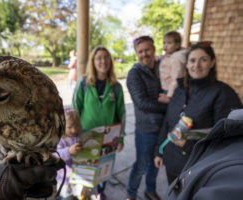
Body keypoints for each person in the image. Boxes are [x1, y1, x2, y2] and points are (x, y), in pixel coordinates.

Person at [154, 41, 242, 185]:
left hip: (197, 166)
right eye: (192, 60)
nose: (197, 65)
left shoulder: (223, 93)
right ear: (187, 64)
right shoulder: (179, 90)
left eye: (203, 60)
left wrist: (189, 141)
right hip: (172, 161)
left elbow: (228, 136)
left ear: (212, 62)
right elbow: (168, 122)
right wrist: (159, 151)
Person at [73, 45, 125, 200]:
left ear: (110, 61)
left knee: (104, 169)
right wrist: (72, 133)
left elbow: (122, 115)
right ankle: (85, 193)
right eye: (99, 58)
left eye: (106, 57)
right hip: (86, 135)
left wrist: (121, 138)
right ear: (93, 62)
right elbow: (75, 110)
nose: (103, 61)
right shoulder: (83, 83)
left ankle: (101, 191)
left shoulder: (116, 87)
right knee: (86, 169)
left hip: (109, 138)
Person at [167, 109, 243, 200]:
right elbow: (168, 120)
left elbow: (217, 135)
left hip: (189, 160)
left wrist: (187, 145)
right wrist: (158, 152)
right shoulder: (181, 94)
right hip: (174, 161)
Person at [126, 36, 167, 200]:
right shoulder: (134, 74)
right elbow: (142, 103)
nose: (144, 54)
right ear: (136, 54)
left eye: (147, 50)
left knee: (155, 163)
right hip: (146, 129)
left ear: (154, 49)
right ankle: (130, 194)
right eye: (140, 51)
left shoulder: (162, 68)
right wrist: (169, 106)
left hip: (164, 127)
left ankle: (150, 190)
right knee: (141, 165)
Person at [56, 108, 83, 200]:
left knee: (76, 194)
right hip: (64, 177)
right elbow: (56, 156)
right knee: (66, 196)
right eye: (70, 127)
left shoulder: (79, 136)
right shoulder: (60, 140)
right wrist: (69, 151)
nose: (74, 130)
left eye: (76, 126)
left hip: (77, 174)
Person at [159, 31, 187, 101]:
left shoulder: (176, 59)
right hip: (166, 88)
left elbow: (176, 79)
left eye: (169, 43)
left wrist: (169, 96)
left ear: (177, 45)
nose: (165, 45)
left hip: (171, 91)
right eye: (164, 43)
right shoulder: (169, 56)